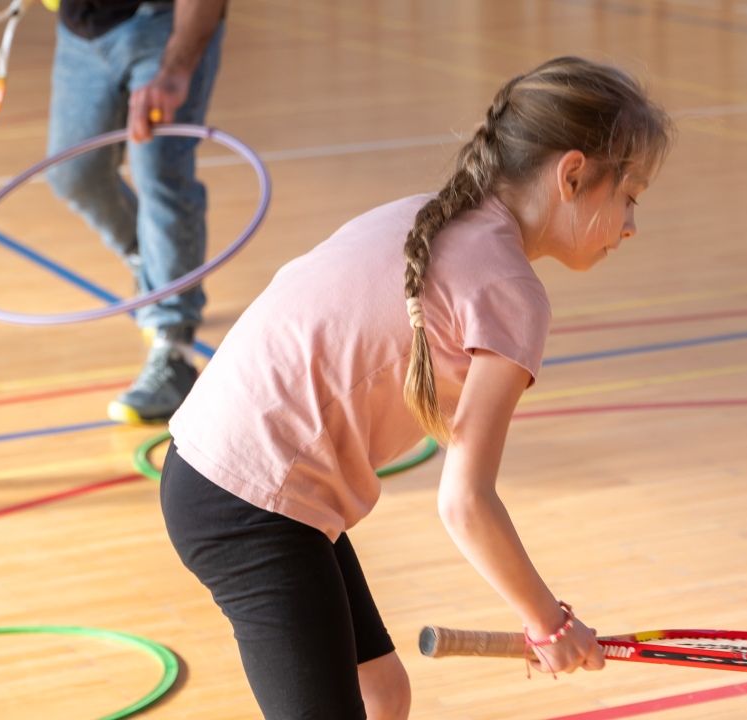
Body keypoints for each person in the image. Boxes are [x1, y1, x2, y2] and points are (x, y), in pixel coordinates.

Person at [160, 56, 674, 719]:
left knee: (383, 693)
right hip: (250, 502)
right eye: (629, 196)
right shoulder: (512, 294)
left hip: (220, 470)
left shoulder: (426, 215)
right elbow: (465, 502)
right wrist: (548, 621)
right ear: (572, 174)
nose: (631, 225)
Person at [45, 0, 227, 425]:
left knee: (160, 171)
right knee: (73, 174)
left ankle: (174, 347)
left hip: (164, 26)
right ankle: (149, 260)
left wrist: (176, 69)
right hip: (81, 29)